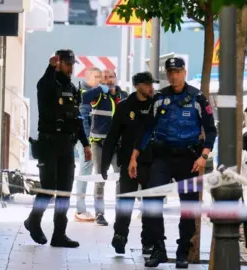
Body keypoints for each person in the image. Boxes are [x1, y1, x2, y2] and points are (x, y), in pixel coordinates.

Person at [129, 57, 217, 268]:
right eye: (170, 72)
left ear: (184, 72)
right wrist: (134, 156)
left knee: (188, 206)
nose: (173, 75)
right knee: (151, 200)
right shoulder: (160, 98)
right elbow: (147, 129)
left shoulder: (198, 98)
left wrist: (203, 156)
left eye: (177, 71)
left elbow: (211, 130)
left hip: (189, 159)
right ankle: (158, 248)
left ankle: (182, 252)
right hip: (163, 158)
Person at [24, 50, 92, 248]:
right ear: (59, 63)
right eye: (67, 64)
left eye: (73, 64)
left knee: (64, 192)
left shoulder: (72, 88)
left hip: (66, 145)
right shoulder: (47, 84)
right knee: (48, 189)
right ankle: (33, 222)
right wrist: (50, 68)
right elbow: (44, 85)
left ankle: (59, 234)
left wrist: (85, 143)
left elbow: (77, 119)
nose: (71, 68)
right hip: (48, 143)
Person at [101, 72, 157, 255]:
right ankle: (120, 236)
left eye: (151, 84)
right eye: (147, 84)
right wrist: (104, 163)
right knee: (125, 202)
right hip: (128, 163)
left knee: (150, 204)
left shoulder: (156, 106)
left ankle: (148, 241)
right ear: (137, 85)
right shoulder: (125, 107)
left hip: (151, 162)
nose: (151, 87)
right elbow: (112, 137)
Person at [82, 68, 128, 226]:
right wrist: (98, 88)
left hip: (117, 143)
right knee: (100, 177)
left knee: (119, 177)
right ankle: (99, 214)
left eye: (111, 76)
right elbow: (83, 98)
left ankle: (121, 213)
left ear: (116, 78)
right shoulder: (98, 94)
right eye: (105, 77)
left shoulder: (124, 96)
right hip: (99, 143)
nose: (109, 79)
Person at [74, 67, 103, 222]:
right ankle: (80, 209)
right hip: (86, 139)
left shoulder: (94, 93)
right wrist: (87, 143)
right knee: (85, 171)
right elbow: (83, 120)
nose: (100, 79)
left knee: (86, 170)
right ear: (88, 77)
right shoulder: (85, 94)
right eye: (96, 76)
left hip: (89, 139)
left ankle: (81, 208)